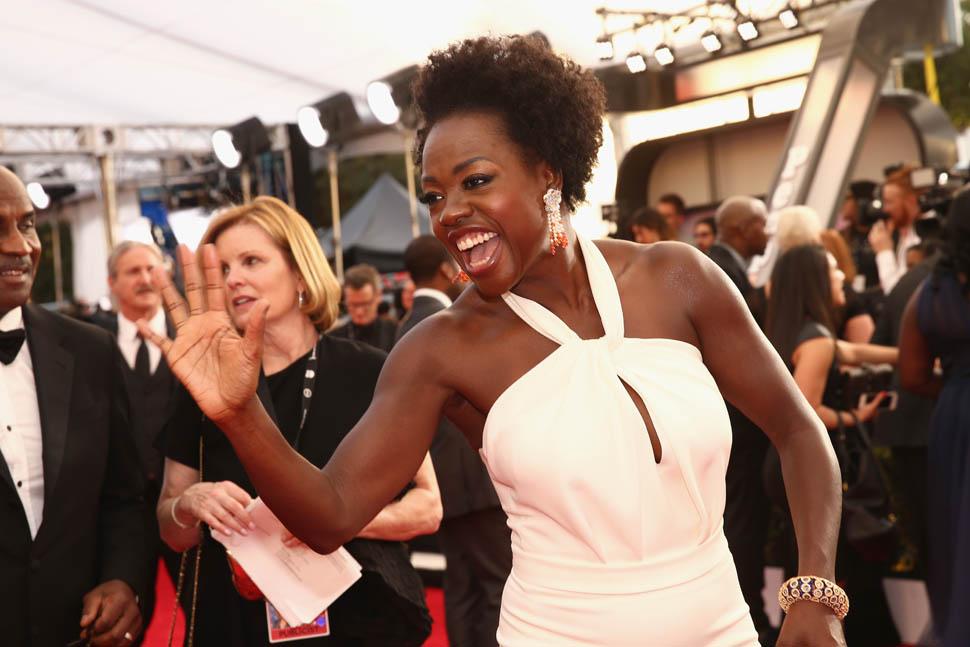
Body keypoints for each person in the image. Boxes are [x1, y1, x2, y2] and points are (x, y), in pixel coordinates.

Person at [143, 36, 847, 646]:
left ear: (548, 173)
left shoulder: (678, 278)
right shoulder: (440, 349)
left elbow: (797, 429)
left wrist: (816, 588)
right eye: (434, 195)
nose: (450, 213)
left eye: (475, 181)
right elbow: (331, 513)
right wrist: (241, 412)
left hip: (722, 625)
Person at [156, 197, 439, 647]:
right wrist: (189, 503)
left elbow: (427, 506)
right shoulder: (204, 387)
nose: (233, 278)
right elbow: (171, 530)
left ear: (300, 273)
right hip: (235, 624)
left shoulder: (369, 370)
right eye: (223, 268)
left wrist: (327, 523)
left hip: (357, 622)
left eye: (251, 261)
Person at [0, 167, 152, 646]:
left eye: (26, 224)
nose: (21, 247)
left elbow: (125, 496)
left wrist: (124, 580)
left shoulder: (90, 351)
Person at [764, 243, 899, 647]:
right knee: (827, 573)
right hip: (809, 470)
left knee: (808, 566)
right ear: (814, 282)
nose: (842, 275)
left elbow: (855, 351)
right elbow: (804, 411)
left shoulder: (795, 333)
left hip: (786, 465)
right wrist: (855, 418)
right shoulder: (817, 340)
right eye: (832, 269)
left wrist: (911, 355)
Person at [397, 235, 512, 647]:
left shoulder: (404, 328)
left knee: (461, 586)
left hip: (443, 481)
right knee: (498, 583)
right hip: (474, 479)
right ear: (447, 270)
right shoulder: (450, 321)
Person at [898, 185, 970, 647]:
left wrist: (959, 390)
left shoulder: (930, 290)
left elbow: (912, 374)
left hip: (955, 419)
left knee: (957, 532)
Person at [705, 194, 774, 641]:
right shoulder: (720, 271)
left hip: (732, 419)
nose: (768, 232)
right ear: (742, 228)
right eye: (762, 224)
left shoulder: (723, 266)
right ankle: (750, 616)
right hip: (736, 421)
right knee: (743, 522)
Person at [101, 241, 182, 608]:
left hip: (185, 505)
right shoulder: (90, 345)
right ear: (112, 283)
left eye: (152, 269)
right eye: (134, 271)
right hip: (119, 515)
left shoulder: (191, 337)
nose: (146, 279)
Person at [869, 164, 923, 294]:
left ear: (910, 201)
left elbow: (897, 293)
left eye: (889, 202)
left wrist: (883, 251)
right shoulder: (906, 234)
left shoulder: (924, 238)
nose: (885, 209)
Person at [329, 263, 397, 353]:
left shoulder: (396, 333)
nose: (359, 312)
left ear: (378, 296)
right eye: (353, 304)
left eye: (365, 304)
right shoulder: (333, 340)